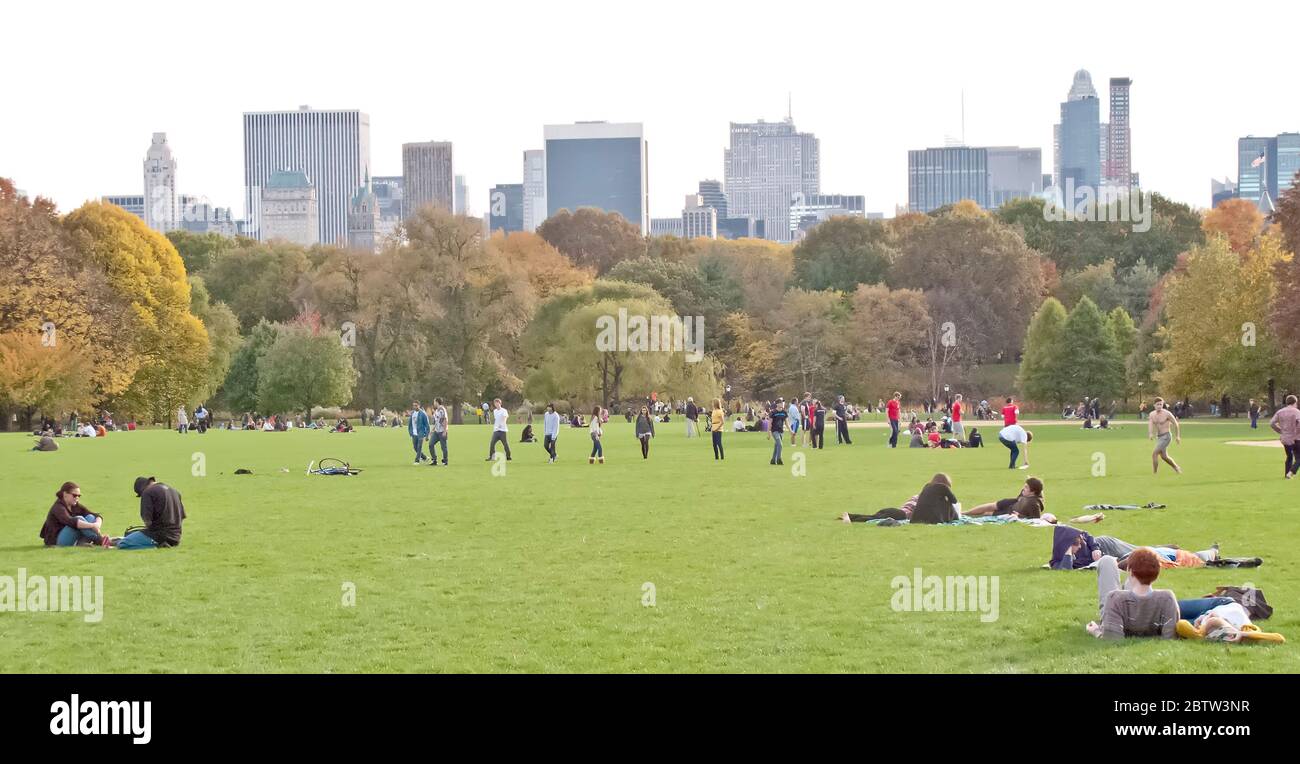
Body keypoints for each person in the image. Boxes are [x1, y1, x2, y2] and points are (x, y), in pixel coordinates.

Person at [1084, 548, 1179, 640]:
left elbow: (1112, 638)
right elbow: (1170, 635)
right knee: (1135, 583)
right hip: (1140, 603)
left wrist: (1096, 631)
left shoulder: (1114, 598)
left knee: (1106, 560)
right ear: (1157, 574)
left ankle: (1135, 577)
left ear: (1130, 572)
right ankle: (1139, 578)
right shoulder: (1168, 598)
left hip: (1120, 610)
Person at [843, 473, 959, 525]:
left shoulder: (922, 494)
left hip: (897, 511)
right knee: (873, 518)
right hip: (901, 514)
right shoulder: (930, 499)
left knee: (873, 517)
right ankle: (850, 519)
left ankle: (851, 516)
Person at [119, 477, 187, 550]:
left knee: (123, 543)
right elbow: (182, 517)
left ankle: (157, 546)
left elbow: (147, 521)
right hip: (176, 537)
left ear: (142, 488)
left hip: (159, 536)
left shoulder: (147, 492)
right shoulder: (174, 491)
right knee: (133, 534)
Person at [40, 481, 110, 547]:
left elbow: (96, 515)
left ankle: (83, 542)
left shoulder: (74, 505)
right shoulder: (58, 507)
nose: (77, 498)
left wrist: (97, 524)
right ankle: (100, 540)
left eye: (79, 496)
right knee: (79, 519)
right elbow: (70, 521)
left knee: (90, 517)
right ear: (65, 494)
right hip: (56, 542)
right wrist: (92, 526)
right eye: (74, 495)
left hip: (69, 537)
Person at [964, 477, 1045, 519]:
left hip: (1010, 512)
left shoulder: (1034, 504)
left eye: (1026, 487)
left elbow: (1036, 519)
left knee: (986, 513)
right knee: (989, 506)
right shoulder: (1027, 493)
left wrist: (1020, 516)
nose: (1023, 488)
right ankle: (964, 513)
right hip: (1012, 502)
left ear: (1033, 492)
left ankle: (965, 515)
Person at [1147, 397, 1182, 474]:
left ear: (1163, 405)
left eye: (1161, 404)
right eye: (1157, 404)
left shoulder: (1167, 413)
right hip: (1159, 437)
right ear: (1154, 405)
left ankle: (1154, 473)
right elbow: (1150, 424)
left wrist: (1177, 436)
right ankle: (1176, 468)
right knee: (1164, 457)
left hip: (1166, 436)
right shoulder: (1152, 414)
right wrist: (1150, 434)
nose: (1159, 406)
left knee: (1154, 453)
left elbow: (1176, 424)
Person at [1269, 394, 1300, 479]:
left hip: (1285, 437)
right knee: (1298, 457)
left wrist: (1280, 431)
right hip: (1296, 438)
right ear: (1295, 402)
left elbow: (1272, 423)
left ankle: (1287, 474)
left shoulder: (1280, 412)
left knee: (1289, 456)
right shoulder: (1296, 411)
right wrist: (1296, 432)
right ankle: (1291, 472)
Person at [408, 400, 430, 465]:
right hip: (414, 433)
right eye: (413, 405)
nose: (414, 407)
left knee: (419, 446)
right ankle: (425, 457)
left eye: (416, 405)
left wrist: (427, 435)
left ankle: (417, 460)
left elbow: (427, 425)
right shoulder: (412, 413)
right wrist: (410, 432)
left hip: (421, 433)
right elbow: (410, 424)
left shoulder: (423, 414)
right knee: (415, 447)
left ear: (419, 405)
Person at [769, 397, 788, 465]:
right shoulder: (773, 412)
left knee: (776, 446)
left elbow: (786, 422)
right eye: (780, 403)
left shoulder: (784, 412)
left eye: (782, 402)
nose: (782, 404)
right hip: (774, 431)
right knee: (780, 445)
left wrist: (790, 431)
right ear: (777, 404)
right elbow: (770, 423)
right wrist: (769, 433)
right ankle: (779, 459)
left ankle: (773, 460)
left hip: (781, 431)